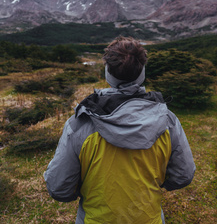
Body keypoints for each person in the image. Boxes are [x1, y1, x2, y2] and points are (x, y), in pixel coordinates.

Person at [44, 36, 195, 223]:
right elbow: (183, 175)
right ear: (142, 72)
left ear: (108, 72)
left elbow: (59, 188)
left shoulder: (79, 125)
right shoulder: (168, 122)